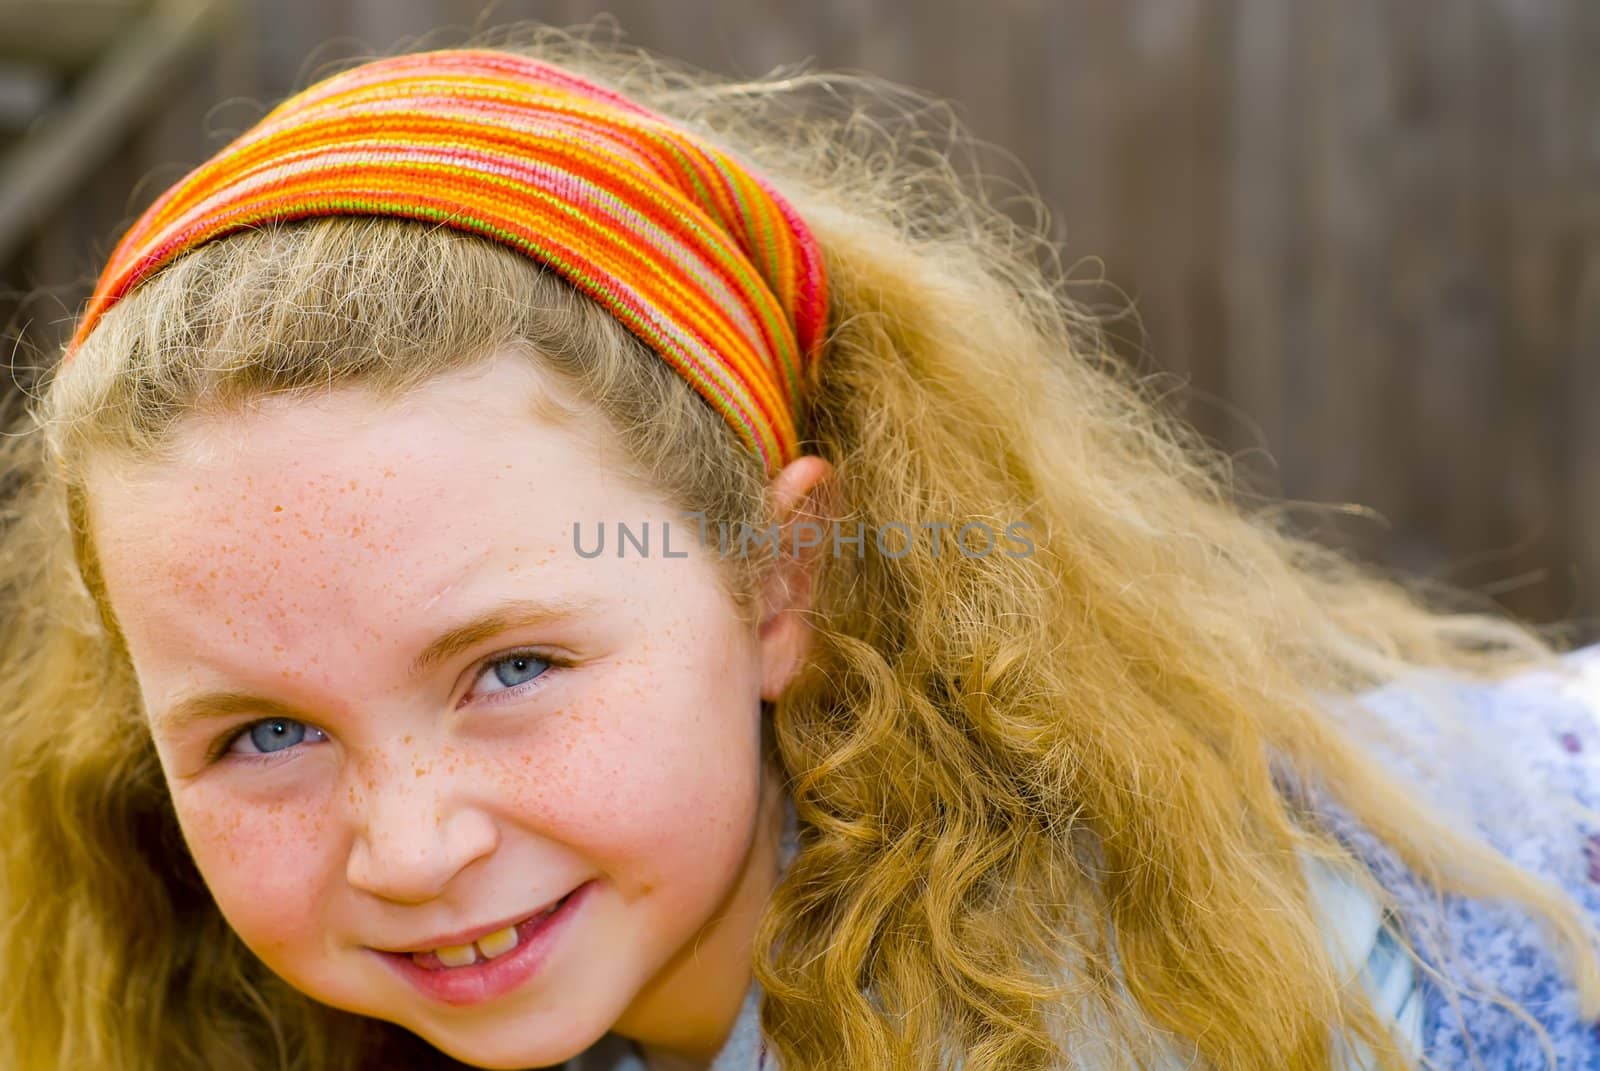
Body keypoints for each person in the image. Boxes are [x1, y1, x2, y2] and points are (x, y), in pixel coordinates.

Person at [1, 25, 1598, 1071]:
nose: (410, 850)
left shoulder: (1116, 1011)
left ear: (782, 581)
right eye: (264, 731)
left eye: (511, 668)